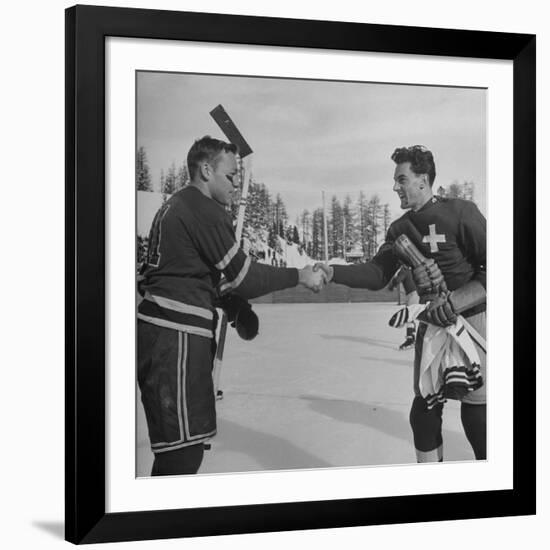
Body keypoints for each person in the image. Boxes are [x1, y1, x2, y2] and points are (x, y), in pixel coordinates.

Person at [137, 136, 324, 476]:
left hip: (168, 336)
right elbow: (248, 277)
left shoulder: (178, 204)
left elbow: (179, 272)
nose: (237, 183)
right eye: (230, 175)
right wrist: (299, 275)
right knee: (181, 455)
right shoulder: (202, 209)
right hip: (174, 340)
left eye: (238, 176)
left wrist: (229, 301)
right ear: (206, 170)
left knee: (185, 448)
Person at [316, 145, 486, 463]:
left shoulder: (462, 212)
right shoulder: (400, 229)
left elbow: (495, 266)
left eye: (401, 179)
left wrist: (457, 302)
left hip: (472, 323)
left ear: (423, 179)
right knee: (423, 412)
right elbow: (377, 273)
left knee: (478, 417)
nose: (395, 186)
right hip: (432, 324)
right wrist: (334, 271)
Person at [387, 266, 419, 350]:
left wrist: (392, 285)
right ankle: (412, 337)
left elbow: (398, 279)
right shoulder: (412, 268)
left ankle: (410, 339)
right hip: (417, 293)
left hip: (413, 295)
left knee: (409, 317)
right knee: (412, 316)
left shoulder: (404, 270)